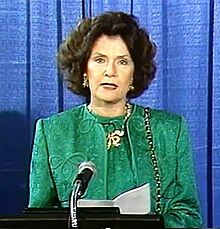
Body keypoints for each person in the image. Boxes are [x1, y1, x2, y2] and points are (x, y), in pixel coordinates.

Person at [28, 11, 202, 228]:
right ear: (84, 69)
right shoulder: (52, 131)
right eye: (100, 60)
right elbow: (37, 220)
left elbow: (188, 217)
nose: (110, 71)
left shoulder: (169, 130)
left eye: (122, 61)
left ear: (134, 73)